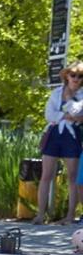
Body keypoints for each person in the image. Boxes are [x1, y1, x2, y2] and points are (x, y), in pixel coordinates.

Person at [36, 61, 83, 225]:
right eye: (73, 75)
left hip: (72, 136)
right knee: (46, 175)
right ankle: (40, 215)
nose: (76, 79)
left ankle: (70, 216)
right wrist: (66, 116)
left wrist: (69, 99)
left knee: (72, 177)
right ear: (67, 76)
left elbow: (77, 112)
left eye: (80, 76)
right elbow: (49, 114)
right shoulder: (56, 92)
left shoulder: (82, 95)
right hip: (54, 134)